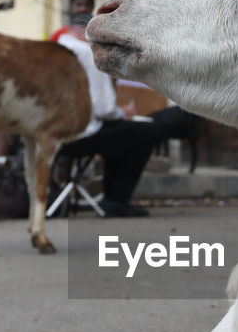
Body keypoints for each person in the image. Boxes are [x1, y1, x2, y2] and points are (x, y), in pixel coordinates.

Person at [56, 13, 161, 217]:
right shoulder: (86, 53)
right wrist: (125, 112)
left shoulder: (57, 48)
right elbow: (103, 110)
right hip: (81, 135)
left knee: (120, 134)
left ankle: (111, 199)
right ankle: (116, 199)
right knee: (149, 132)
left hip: (52, 135)